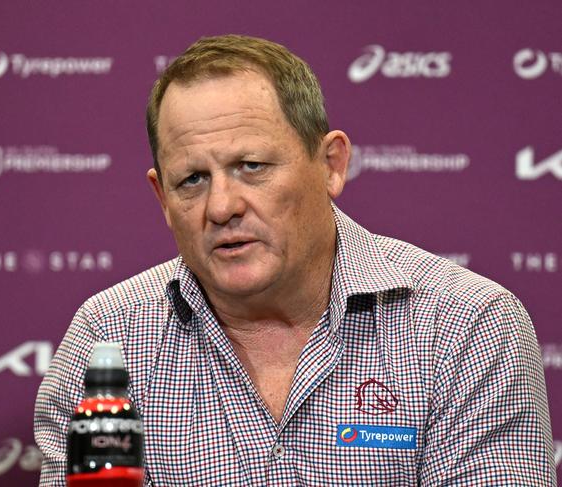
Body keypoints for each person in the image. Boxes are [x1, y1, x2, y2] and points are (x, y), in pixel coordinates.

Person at [34, 34, 556, 486]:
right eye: (192, 180)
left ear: (331, 164)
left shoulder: (466, 325)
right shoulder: (109, 338)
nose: (221, 207)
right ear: (162, 199)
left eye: (251, 166)